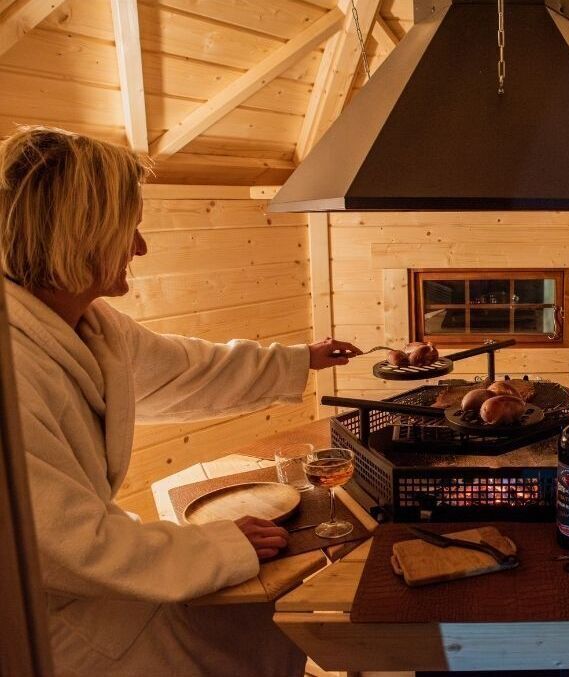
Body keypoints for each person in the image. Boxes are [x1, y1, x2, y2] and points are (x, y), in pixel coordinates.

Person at [0, 126, 362, 676]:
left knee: (270, 618)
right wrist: (217, 549)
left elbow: (192, 370)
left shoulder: (90, 326)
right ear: (79, 232)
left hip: (88, 585)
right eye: (129, 228)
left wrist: (303, 358)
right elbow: (63, 543)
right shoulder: (12, 367)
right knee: (253, 627)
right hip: (39, 626)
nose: (139, 247)